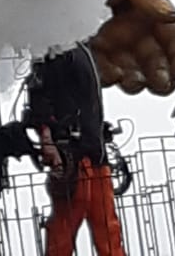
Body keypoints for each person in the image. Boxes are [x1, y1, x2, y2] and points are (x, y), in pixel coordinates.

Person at [22, 42, 126, 256]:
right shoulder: (55, 51)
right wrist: (48, 140)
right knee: (65, 228)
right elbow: (40, 101)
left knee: (107, 227)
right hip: (75, 154)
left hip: (94, 152)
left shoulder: (79, 48)